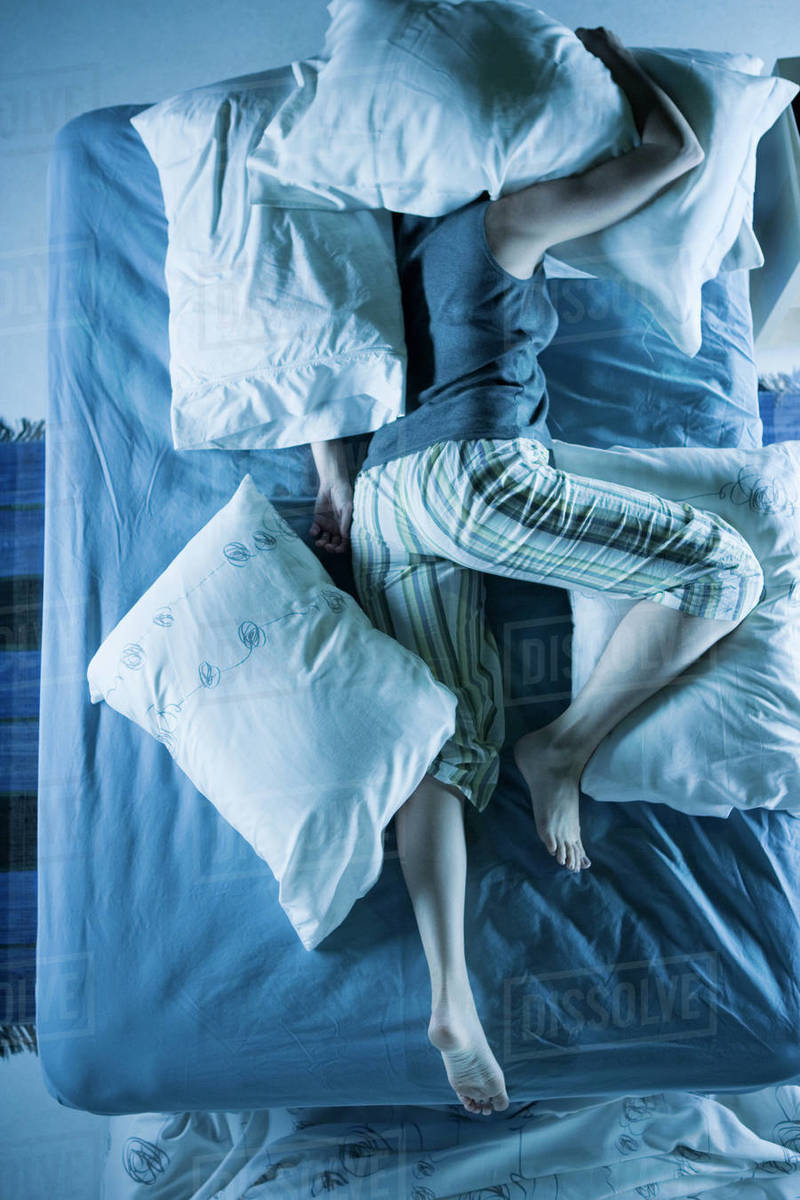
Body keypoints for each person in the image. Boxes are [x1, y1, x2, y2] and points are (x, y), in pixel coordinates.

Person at [308, 27, 765, 1116]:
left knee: (443, 740)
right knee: (719, 572)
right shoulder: (504, 217)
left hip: (382, 498)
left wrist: (332, 486)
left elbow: (328, 381)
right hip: (472, 475)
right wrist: (610, 53)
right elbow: (672, 157)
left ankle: (450, 995)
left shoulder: (386, 248)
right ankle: (560, 750)